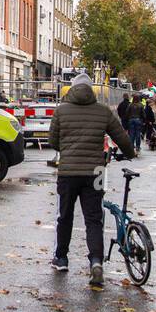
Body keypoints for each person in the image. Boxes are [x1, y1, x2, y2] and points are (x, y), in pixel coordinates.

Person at [47, 72, 136, 287]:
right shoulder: (102, 111)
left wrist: (67, 147)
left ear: (72, 89)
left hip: (68, 172)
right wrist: (130, 153)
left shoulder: (61, 111)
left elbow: (53, 142)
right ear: (92, 91)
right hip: (96, 172)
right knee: (94, 219)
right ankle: (96, 262)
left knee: (65, 216)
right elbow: (121, 137)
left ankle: (61, 258)